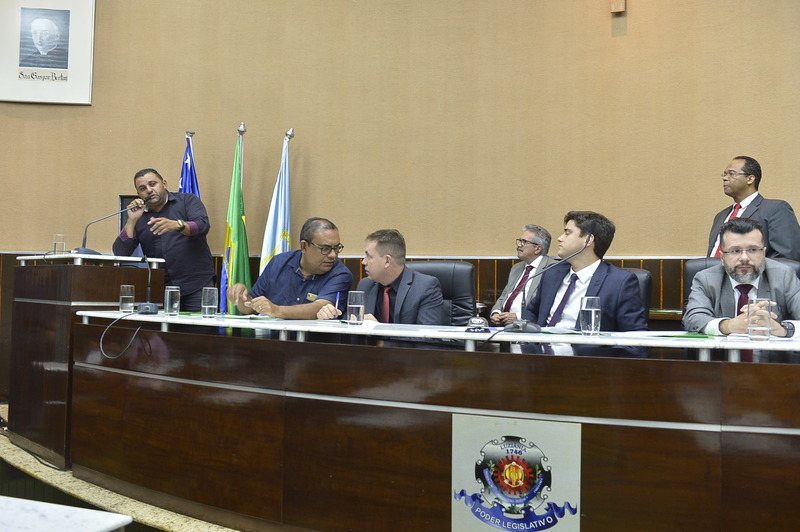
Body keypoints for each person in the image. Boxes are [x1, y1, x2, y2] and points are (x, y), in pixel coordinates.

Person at [523, 211, 648, 357]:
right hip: (540, 358)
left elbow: (637, 343)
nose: (559, 238)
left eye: (567, 233)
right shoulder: (552, 273)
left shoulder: (619, 282)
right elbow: (532, 312)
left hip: (586, 362)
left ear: (588, 240)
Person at [113, 168, 215, 312]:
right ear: (138, 194)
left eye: (152, 184)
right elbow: (121, 252)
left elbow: (202, 226)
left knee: (199, 325)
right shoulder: (139, 216)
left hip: (196, 284)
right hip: (161, 289)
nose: (149, 190)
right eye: (142, 188)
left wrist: (178, 225)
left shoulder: (187, 200)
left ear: (164, 184)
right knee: (165, 326)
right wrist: (131, 220)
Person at [685, 217, 800, 339]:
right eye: (735, 251)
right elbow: (694, 318)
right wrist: (728, 326)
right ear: (722, 257)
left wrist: (783, 330)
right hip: (722, 351)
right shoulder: (706, 279)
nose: (744, 258)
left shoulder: (783, 276)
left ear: (763, 253)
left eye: (753, 250)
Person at [228, 217, 352, 319]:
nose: (333, 255)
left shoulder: (340, 274)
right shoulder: (278, 263)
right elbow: (250, 307)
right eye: (325, 248)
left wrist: (276, 310)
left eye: (336, 248)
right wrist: (241, 297)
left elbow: (320, 308)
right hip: (272, 338)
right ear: (304, 246)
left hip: (314, 340)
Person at [316, 229, 445, 325]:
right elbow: (351, 327)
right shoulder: (365, 285)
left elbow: (429, 338)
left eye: (369, 256)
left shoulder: (426, 287)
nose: (363, 262)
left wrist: (380, 330)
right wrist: (332, 318)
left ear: (387, 261)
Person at [707, 156, 800, 261]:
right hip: (713, 271)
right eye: (724, 174)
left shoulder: (776, 209)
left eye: (731, 174)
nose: (725, 178)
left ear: (750, 179)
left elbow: (787, 256)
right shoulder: (720, 216)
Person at [490, 224, 556, 327]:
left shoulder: (552, 268)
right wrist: (496, 312)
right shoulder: (516, 268)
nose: (519, 245)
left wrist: (519, 317)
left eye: (524, 242)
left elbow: (546, 305)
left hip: (530, 327)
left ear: (538, 249)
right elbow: (504, 296)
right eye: (520, 241)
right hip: (503, 326)